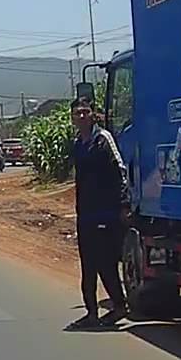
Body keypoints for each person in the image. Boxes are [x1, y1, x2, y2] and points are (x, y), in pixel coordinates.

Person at [67, 96, 130, 330]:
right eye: (78, 113)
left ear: (93, 114)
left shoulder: (103, 139)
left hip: (106, 213)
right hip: (85, 213)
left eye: (85, 111)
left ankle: (119, 306)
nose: (82, 116)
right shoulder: (78, 143)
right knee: (88, 265)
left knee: (106, 263)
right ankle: (91, 313)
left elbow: (120, 170)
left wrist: (123, 204)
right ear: (72, 118)